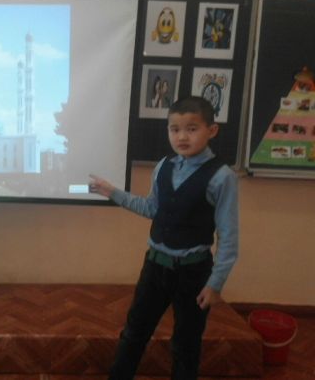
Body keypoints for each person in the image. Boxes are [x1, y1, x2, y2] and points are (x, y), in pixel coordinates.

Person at [89, 96, 238, 380]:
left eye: (192, 129)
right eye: (174, 129)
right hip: (155, 266)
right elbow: (151, 208)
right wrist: (112, 192)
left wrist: (215, 283)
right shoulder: (164, 166)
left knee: (186, 344)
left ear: (212, 130)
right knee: (134, 333)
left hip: (194, 273)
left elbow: (229, 237)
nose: (182, 137)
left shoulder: (222, 177)